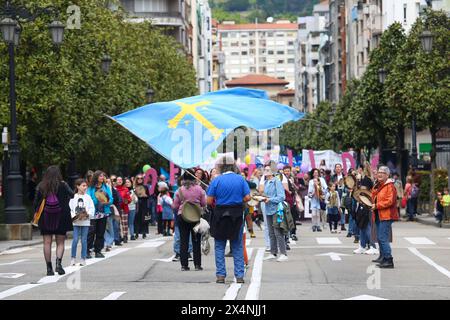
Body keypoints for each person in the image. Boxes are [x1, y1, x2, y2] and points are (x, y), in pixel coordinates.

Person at [207, 157, 251, 283]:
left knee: (220, 245)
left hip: (220, 214)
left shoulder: (217, 180)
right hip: (237, 214)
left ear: (221, 167)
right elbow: (248, 197)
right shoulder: (240, 179)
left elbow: (209, 201)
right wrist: (237, 200)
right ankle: (239, 276)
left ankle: (221, 275)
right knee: (237, 245)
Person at [34, 166, 74, 275]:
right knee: (60, 242)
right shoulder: (63, 184)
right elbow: (72, 195)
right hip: (62, 216)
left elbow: (35, 202)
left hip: (46, 216)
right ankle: (58, 264)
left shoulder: (41, 185)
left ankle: (49, 268)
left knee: (47, 242)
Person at [173, 169, 206, 271]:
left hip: (182, 216)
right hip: (195, 217)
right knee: (196, 241)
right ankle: (197, 265)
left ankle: (184, 265)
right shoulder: (199, 189)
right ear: (194, 178)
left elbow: (175, 205)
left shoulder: (179, 190)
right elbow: (204, 203)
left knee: (184, 241)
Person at [371, 166, 398, 268]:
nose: (380, 174)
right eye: (379, 172)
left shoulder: (390, 186)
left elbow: (390, 201)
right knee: (380, 237)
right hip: (378, 214)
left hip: (386, 215)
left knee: (383, 238)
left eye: (382, 173)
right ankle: (383, 257)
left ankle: (388, 259)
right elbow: (373, 196)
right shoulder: (379, 185)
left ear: (387, 175)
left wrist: (376, 205)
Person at [261, 164, 288, 262]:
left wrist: (269, 199)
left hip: (276, 209)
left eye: (268, 170)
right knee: (271, 232)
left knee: (278, 232)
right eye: (265, 169)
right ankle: (273, 252)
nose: (265, 171)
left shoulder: (277, 181)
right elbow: (267, 196)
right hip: (268, 209)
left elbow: (282, 197)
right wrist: (262, 197)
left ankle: (283, 253)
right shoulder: (266, 181)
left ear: (272, 172)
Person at [87, 171, 113, 259]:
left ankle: (98, 251)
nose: (102, 177)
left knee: (100, 232)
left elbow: (111, 198)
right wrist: (97, 199)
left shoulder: (105, 186)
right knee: (91, 232)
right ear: (96, 177)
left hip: (103, 212)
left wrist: (108, 201)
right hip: (93, 213)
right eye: (100, 176)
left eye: (103, 176)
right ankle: (87, 250)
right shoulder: (90, 188)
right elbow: (88, 199)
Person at [69, 178, 95, 266]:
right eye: (83, 186)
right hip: (76, 222)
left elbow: (92, 208)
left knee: (84, 240)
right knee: (75, 240)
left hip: (86, 221)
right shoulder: (73, 197)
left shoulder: (88, 197)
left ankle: (83, 258)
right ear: (78, 186)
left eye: (86, 186)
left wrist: (88, 214)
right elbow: (71, 209)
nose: (85, 187)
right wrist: (74, 217)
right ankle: (73, 258)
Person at [115, 176, 131, 243]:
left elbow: (129, 199)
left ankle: (125, 236)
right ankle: (119, 236)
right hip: (116, 208)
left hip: (124, 208)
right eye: (118, 180)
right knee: (117, 223)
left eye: (121, 180)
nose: (119, 181)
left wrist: (127, 201)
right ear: (116, 181)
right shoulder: (114, 189)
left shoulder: (126, 189)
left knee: (124, 223)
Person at [134, 175, 150, 239]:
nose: (140, 179)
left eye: (141, 178)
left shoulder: (145, 187)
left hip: (144, 204)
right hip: (137, 204)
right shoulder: (134, 187)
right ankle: (136, 233)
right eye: (138, 178)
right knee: (136, 219)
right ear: (136, 179)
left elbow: (148, 196)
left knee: (144, 219)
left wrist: (145, 195)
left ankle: (144, 233)